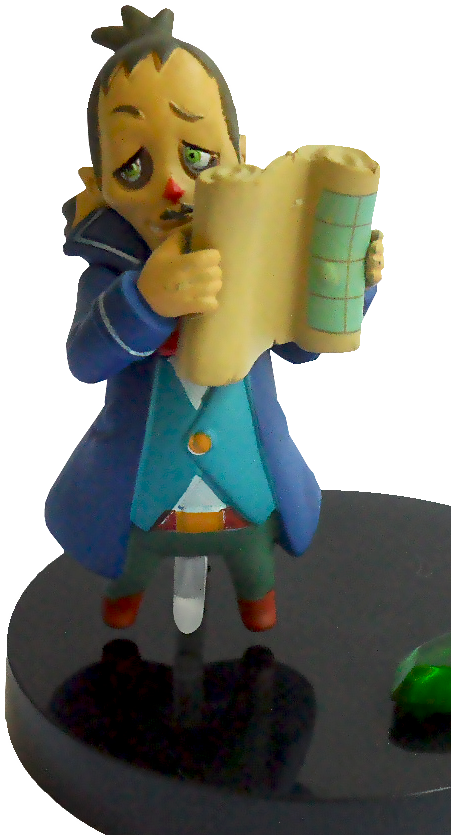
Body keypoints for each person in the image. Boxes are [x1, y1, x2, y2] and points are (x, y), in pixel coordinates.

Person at [45, 5, 384, 633]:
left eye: (198, 155)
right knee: (124, 589)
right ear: (98, 183)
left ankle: (257, 625)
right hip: (141, 493)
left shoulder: (260, 262)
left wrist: (352, 284)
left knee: (257, 582)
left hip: (246, 484)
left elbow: (300, 348)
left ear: (240, 154)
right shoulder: (111, 277)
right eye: (135, 168)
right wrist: (146, 301)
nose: (174, 186)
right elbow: (85, 360)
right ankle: (123, 625)